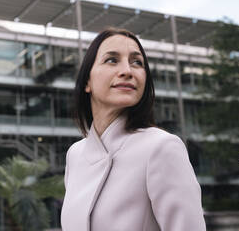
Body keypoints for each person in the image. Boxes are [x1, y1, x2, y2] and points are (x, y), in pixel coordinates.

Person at [60, 27, 206, 231]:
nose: (127, 71)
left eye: (137, 62)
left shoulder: (161, 147)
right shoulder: (75, 155)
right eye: (112, 60)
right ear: (87, 81)